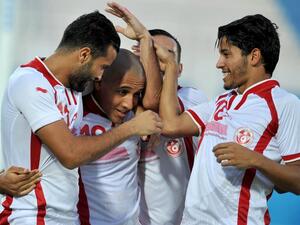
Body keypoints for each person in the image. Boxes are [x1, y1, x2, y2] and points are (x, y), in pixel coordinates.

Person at [0, 11, 162, 225]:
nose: (100, 76)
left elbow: (149, 99)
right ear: (84, 55)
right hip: (30, 216)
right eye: (103, 67)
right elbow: (70, 154)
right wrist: (131, 128)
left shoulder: (74, 86)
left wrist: (144, 40)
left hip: (66, 218)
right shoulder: (29, 82)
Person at [156, 14, 300, 225]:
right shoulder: (222, 101)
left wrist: (256, 160)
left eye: (226, 54)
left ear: (254, 57)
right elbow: (170, 125)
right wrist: (169, 66)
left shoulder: (284, 104)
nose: (219, 63)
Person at [134, 29, 207, 225]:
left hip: (187, 219)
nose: (160, 61)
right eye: (154, 54)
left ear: (179, 68)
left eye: (166, 56)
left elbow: (164, 112)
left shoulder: (193, 97)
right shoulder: (125, 105)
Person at [77, 48, 146, 225]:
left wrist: (145, 40)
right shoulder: (74, 117)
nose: (129, 104)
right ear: (99, 82)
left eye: (136, 94)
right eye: (122, 92)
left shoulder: (137, 115)